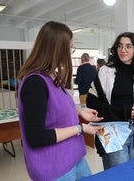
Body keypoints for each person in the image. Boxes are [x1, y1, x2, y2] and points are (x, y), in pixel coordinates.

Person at [17, 21, 103, 181]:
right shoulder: (35, 83)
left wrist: (78, 111)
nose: (70, 52)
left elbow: (53, 109)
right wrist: (80, 128)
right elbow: (37, 137)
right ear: (57, 49)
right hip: (54, 166)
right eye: (70, 47)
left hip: (73, 156)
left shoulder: (52, 76)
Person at [86, 32, 134, 170]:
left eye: (128, 46)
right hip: (111, 133)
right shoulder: (105, 72)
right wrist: (123, 112)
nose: (123, 50)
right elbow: (92, 103)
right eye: (120, 46)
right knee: (119, 175)